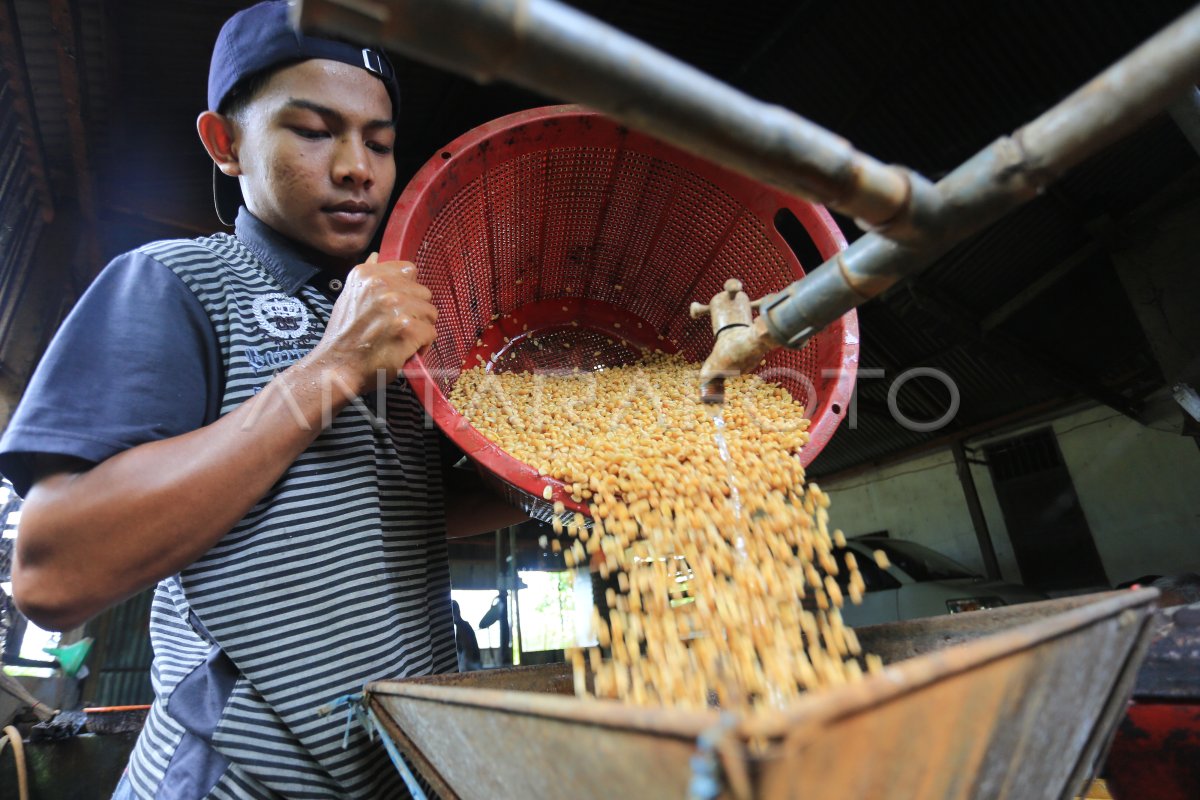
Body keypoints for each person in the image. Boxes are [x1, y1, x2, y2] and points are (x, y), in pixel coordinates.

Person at [0, 2, 522, 797]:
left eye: (379, 142)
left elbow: (399, 505)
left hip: (395, 764)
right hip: (238, 774)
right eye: (314, 132)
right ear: (227, 143)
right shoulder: (177, 283)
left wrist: (547, 482)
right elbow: (54, 571)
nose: (358, 167)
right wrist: (328, 371)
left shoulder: (393, 313)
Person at [451, 601, 482, 672]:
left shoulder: (463, 627)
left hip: (472, 665)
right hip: (471, 664)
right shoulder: (461, 626)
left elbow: (467, 649)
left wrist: (461, 667)